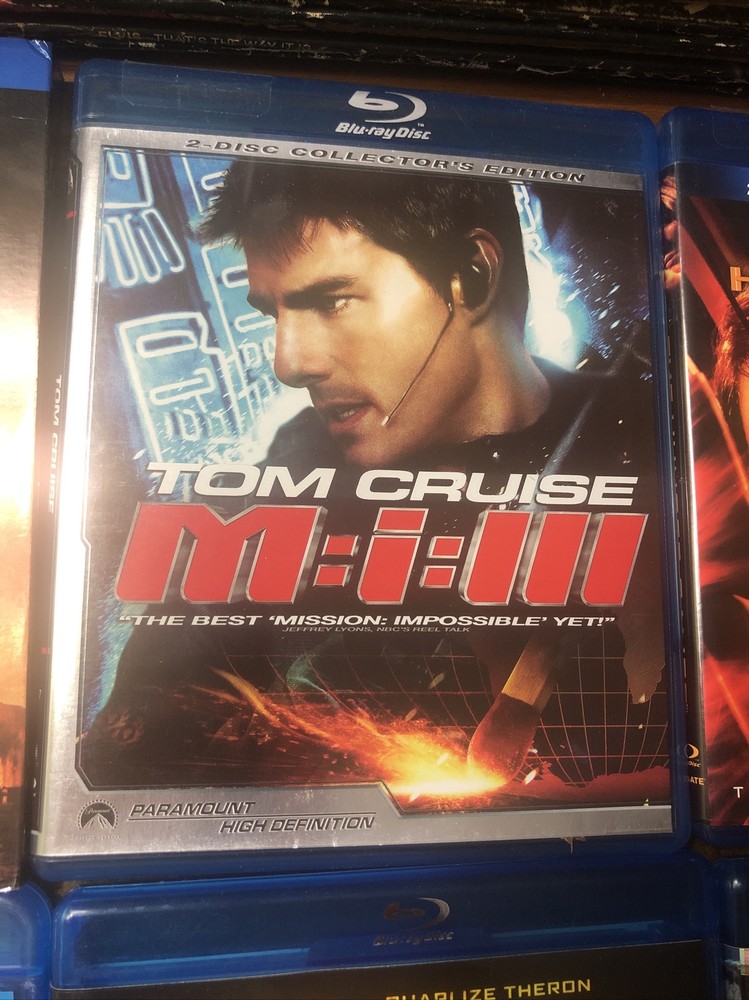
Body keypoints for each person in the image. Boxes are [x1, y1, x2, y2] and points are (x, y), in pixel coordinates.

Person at [83, 162, 669, 801]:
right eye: (273, 313)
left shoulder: (659, 438)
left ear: (472, 276)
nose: (288, 363)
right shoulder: (296, 468)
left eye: (331, 300)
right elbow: (150, 711)